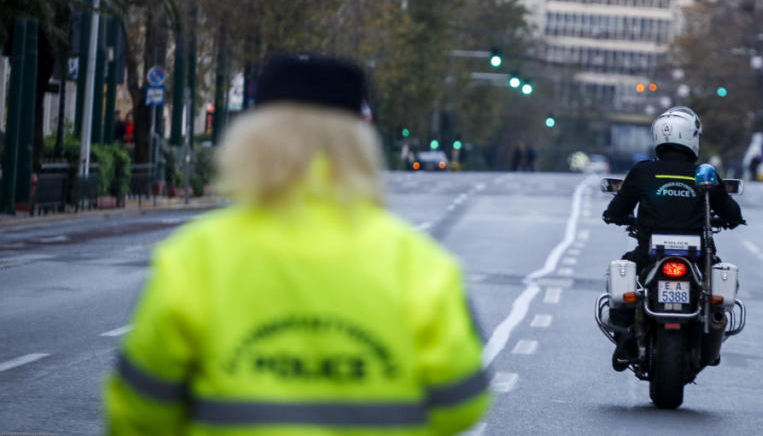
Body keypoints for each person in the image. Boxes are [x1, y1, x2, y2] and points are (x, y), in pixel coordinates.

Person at [104, 54, 489, 435]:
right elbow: (462, 404)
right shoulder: (420, 263)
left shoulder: (196, 256)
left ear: (251, 140)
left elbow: (140, 411)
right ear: (360, 145)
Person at [602, 106, 746, 270]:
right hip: (698, 260)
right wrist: (730, 220)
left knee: (622, 274)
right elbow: (731, 212)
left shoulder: (644, 171)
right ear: (692, 136)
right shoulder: (704, 173)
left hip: (648, 256)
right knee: (719, 277)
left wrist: (615, 216)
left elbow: (617, 209)